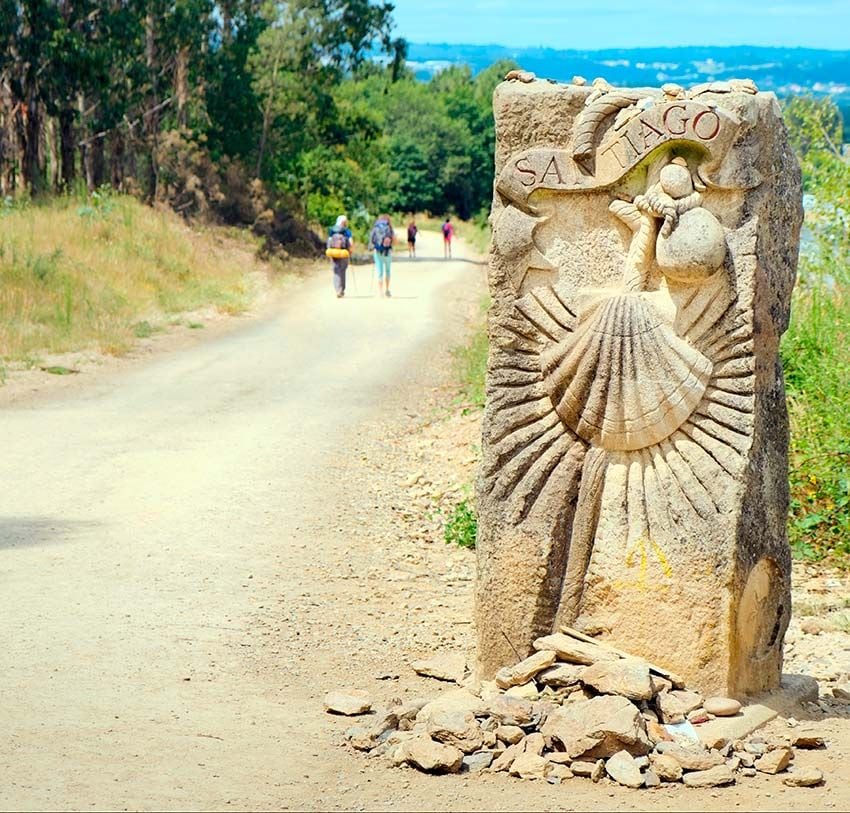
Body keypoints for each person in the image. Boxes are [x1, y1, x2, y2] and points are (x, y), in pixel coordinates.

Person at [327, 215, 352, 298]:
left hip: (333, 252)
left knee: (336, 271)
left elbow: (329, 241)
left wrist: (329, 251)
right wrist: (350, 251)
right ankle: (342, 290)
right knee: (342, 271)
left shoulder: (332, 230)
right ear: (344, 222)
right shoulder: (347, 231)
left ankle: (337, 290)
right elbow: (351, 242)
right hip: (343, 253)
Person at [370, 214, 394, 298]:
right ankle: (387, 290)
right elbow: (393, 239)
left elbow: (371, 240)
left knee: (380, 272)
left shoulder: (375, 227)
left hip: (377, 251)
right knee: (387, 271)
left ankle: (380, 292)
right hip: (388, 252)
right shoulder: (389, 227)